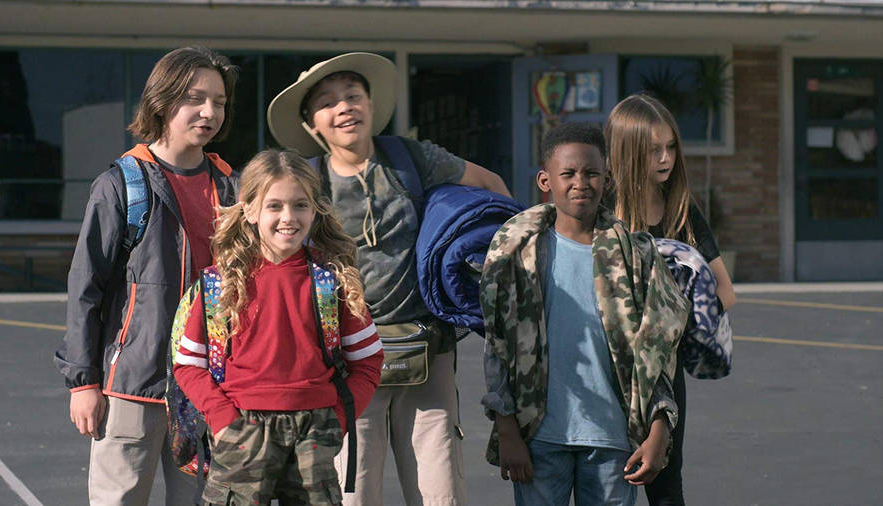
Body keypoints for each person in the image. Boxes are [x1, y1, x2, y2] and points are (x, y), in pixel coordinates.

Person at [266, 52, 510, 506]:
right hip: (348, 361)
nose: (344, 107)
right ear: (311, 124)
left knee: (440, 493)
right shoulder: (307, 182)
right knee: (354, 493)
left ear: (371, 104)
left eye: (352, 95)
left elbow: (491, 186)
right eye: (327, 102)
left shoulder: (412, 158)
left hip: (427, 353)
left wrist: (501, 260)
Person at [53, 46, 239, 504]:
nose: (209, 111)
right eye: (195, 98)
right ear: (162, 100)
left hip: (211, 388)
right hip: (134, 388)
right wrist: (83, 382)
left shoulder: (231, 185)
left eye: (218, 101)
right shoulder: (122, 184)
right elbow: (86, 288)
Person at [480, 122, 690, 505]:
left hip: (614, 441)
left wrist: (660, 426)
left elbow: (658, 353)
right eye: (568, 173)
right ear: (546, 180)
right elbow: (498, 346)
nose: (581, 183)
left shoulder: (636, 256)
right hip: (539, 437)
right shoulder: (516, 254)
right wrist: (506, 427)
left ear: (607, 180)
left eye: (591, 173)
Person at [172, 149, 383, 505]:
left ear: (315, 210)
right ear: (250, 211)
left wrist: (338, 420)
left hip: (315, 433)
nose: (289, 217)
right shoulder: (220, 285)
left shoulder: (332, 282)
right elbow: (189, 365)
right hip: (240, 429)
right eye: (274, 206)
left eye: (300, 205)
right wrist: (223, 420)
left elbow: (368, 361)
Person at [604, 93, 737, 506]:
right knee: (605, 481)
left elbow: (725, 291)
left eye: (671, 147)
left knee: (665, 483)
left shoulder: (681, 211)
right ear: (625, 151)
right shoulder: (600, 211)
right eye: (653, 150)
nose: (665, 158)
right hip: (605, 367)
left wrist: (672, 321)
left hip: (664, 370)